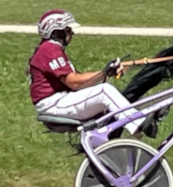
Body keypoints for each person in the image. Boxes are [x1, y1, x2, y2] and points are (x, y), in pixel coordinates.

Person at [28, 9, 153, 137]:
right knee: (104, 91)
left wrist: (106, 73)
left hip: (59, 100)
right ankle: (139, 124)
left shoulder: (49, 49)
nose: (72, 33)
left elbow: (81, 83)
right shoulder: (49, 49)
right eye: (68, 30)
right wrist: (103, 72)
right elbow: (75, 83)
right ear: (56, 32)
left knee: (105, 93)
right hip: (53, 104)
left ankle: (106, 140)